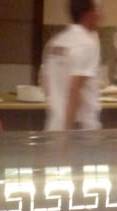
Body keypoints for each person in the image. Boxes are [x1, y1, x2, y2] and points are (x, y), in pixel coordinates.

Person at [41, 0, 103, 131]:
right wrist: (67, 133)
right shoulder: (87, 44)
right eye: (97, 11)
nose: (101, 16)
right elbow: (75, 89)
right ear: (87, 15)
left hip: (54, 124)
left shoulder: (55, 42)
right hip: (78, 130)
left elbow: (45, 83)